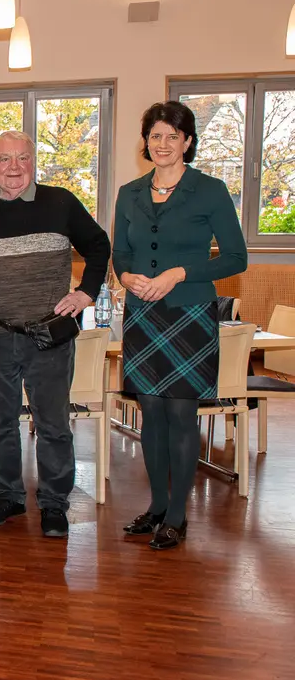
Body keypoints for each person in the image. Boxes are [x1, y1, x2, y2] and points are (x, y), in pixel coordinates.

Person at [114, 101, 246, 550]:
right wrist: (126, 276)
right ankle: (156, 507)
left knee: (180, 414)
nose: (163, 144)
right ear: (146, 141)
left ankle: (177, 515)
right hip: (142, 313)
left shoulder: (209, 190)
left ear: (188, 141)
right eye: (155, 135)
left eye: (173, 136)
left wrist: (179, 273)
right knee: (149, 411)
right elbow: (121, 252)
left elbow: (236, 258)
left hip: (189, 313)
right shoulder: (129, 193)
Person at [0, 131, 111, 538]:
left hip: (49, 336)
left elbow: (99, 245)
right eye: (4, 159)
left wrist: (86, 293)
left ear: (34, 162)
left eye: (22, 158)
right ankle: (9, 496)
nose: (14, 167)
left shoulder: (60, 202)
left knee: (53, 424)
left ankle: (54, 503)